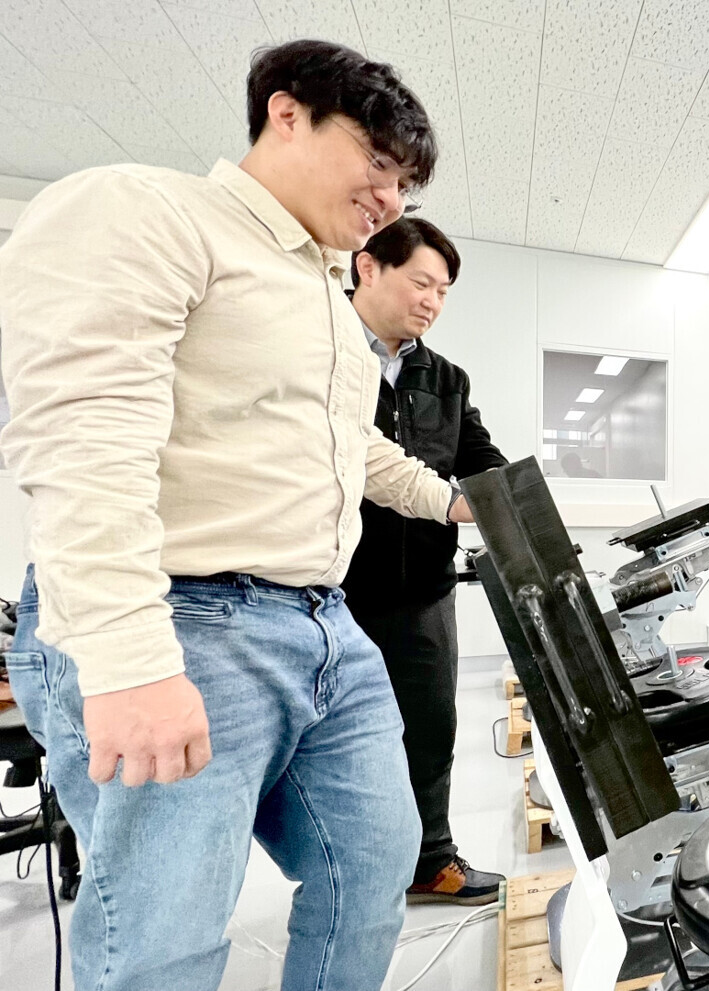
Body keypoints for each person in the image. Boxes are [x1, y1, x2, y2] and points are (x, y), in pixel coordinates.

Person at [0, 40, 462, 991]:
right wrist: (127, 653)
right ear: (286, 114)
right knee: (164, 936)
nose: (390, 202)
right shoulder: (151, 210)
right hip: (186, 616)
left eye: (404, 186)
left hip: (325, 624)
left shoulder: (325, 294)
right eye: (378, 164)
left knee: (375, 865)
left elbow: (353, 448)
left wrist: (453, 501)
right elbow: (84, 437)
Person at [342, 216, 507, 904]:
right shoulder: (323, 351)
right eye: (421, 283)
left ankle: (429, 860)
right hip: (336, 590)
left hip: (424, 589)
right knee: (342, 744)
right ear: (367, 267)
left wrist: (511, 499)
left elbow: (480, 458)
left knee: (431, 731)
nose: (433, 302)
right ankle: (351, 874)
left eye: (443, 291)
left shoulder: (446, 378)